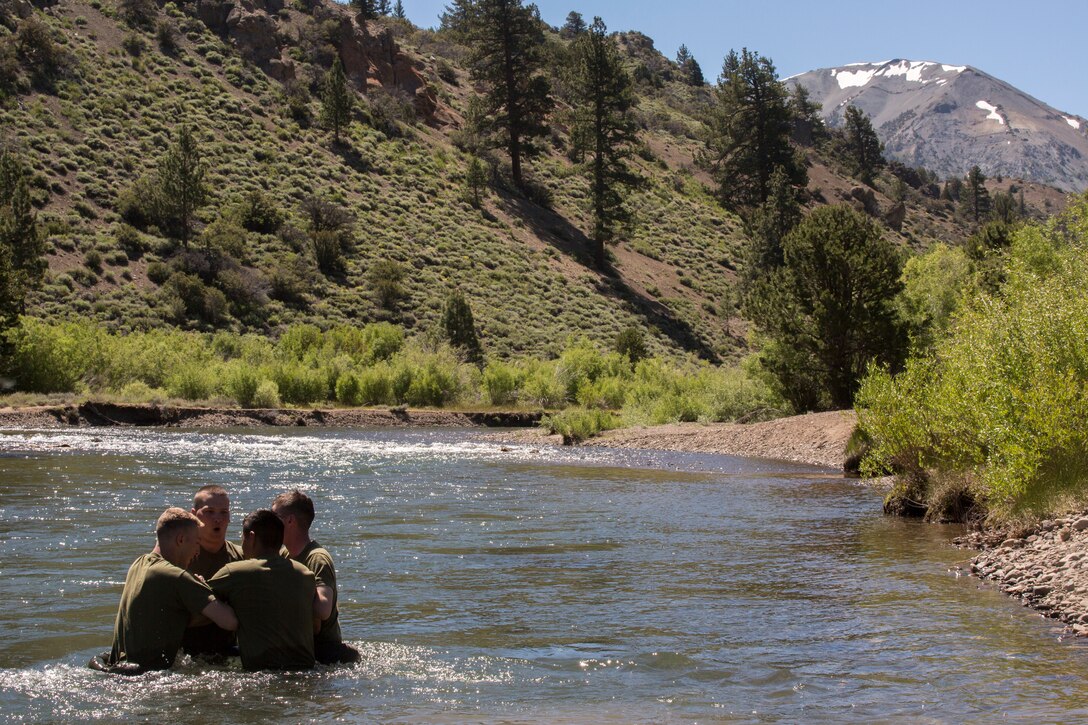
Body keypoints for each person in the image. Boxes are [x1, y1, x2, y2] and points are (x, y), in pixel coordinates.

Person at [98, 508, 238, 674]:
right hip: (151, 679)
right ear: (180, 540)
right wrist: (202, 587)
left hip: (121, 671)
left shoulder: (139, 564)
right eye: (196, 543)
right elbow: (229, 621)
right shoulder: (178, 577)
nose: (197, 551)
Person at [208, 509, 317, 671]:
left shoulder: (235, 572)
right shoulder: (304, 573)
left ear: (251, 537)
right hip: (306, 669)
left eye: (242, 538)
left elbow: (200, 599)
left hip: (261, 670)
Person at [272, 489, 359, 664]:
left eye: (274, 518)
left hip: (323, 648)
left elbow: (323, 609)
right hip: (297, 641)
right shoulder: (282, 554)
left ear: (290, 521)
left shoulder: (317, 558)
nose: (270, 525)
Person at [183, 485, 244, 658]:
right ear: (194, 515)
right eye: (209, 512)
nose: (218, 519)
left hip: (229, 649)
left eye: (224, 512)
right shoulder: (180, 558)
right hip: (187, 651)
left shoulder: (242, 557)